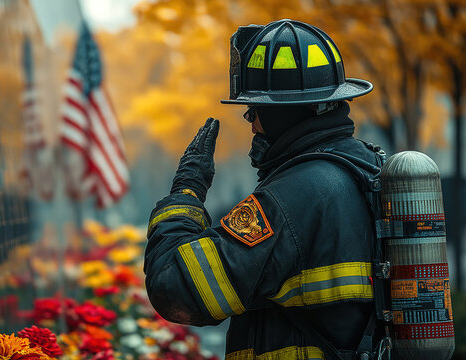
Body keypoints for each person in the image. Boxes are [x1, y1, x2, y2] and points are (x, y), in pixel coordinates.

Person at [144, 19, 389, 360]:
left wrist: (186, 192)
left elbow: (176, 290)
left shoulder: (290, 200)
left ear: (280, 113)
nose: (252, 123)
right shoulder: (367, 169)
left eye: (254, 111)